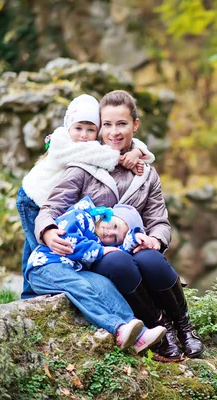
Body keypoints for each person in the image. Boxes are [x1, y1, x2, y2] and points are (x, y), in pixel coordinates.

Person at [35, 90, 205, 360]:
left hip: (133, 241)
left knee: (152, 261)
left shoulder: (146, 173)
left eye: (122, 124)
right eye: (107, 125)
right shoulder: (83, 165)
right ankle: (161, 328)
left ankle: (184, 328)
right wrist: (47, 230)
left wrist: (156, 240)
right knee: (119, 263)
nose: (114, 132)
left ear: (134, 125)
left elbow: (158, 220)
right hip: (96, 250)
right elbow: (50, 208)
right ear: (100, 128)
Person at [16, 94, 155, 299]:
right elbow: (98, 154)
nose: (84, 135)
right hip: (33, 199)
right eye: (79, 128)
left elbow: (120, 142)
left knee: (35, 246)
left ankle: (33, 293)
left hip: (51, 199)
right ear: (68, 125)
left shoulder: (91, 142)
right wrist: (125, 158)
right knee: (42, 250)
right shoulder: (61, 142)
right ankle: (33, 296)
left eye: (91, 130)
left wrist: (137, 151)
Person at [25, 195, 166, 353]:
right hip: (44, 266)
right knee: (80, 287)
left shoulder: (100, 241)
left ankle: (139, 335)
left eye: (115, 237)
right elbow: (68, 241)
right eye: (113, 225)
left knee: (105, 285)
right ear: (108, 214)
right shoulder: (80, 215)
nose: (109, 232)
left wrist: (134, 239)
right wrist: (100, 250)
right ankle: (117, 328)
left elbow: (114, 250)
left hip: (74, 270)